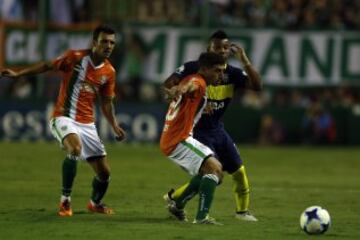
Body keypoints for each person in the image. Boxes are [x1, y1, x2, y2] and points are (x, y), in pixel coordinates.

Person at [0, 25, 126, 217]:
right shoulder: (74, 57)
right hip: (63, 116)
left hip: (87, 123)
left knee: (105, 174)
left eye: (112, 42)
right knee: (75, 149)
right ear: (94, 43)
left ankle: (94, 203)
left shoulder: (109, 72)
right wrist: (18, 73)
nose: (108, 46)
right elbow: (47, 66)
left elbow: (107, 102)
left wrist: (114, 125)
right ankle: (65, 203)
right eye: (104, 41)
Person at [163, 30, 262, 221]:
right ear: (209, 49)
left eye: (226, 47)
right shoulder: (195, 69)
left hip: (217, 129)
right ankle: (186, 205)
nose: (223, 51)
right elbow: (174, 85)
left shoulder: (231, 73)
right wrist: (176, 92)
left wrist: (245, 61)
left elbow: (257, 86)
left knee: (238, 171)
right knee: (213, 172)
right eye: (218, 47)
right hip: (197, 131)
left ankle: (242, 212)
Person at [160, 52, 226, 225]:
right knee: (214, 169)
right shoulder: (198, 81)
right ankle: (202, 217)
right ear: (204, 69)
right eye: (217, 71)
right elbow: (189, 87)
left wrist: (201, 107)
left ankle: (178, 204)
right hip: (178, 140)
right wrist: (178, 90)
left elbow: (187, 94)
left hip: (175, 138)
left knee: (214, 173)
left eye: (222, 71)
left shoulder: (194, 80)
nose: (221, 75)